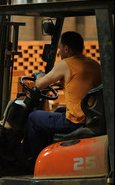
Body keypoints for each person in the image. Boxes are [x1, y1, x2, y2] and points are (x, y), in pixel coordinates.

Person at [22, 31, 102, 160]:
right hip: (91, 117)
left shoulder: (66, 64)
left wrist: (39, 76)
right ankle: (51, 152)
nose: (59, 52)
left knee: (33, 117)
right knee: (59, 110)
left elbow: (40, 85)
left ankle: (31, 159)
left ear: (66, 48)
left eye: (60, 48)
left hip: (76, 121)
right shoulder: (94, 64)